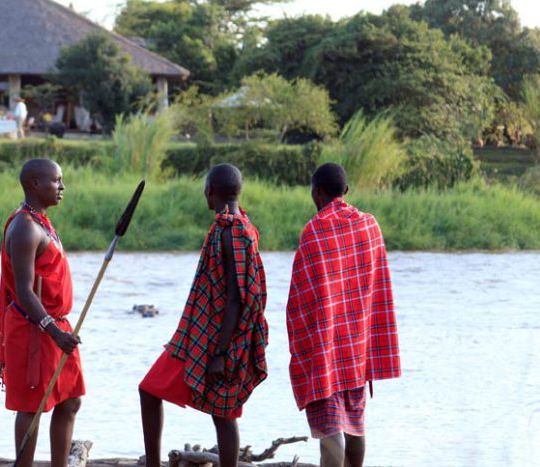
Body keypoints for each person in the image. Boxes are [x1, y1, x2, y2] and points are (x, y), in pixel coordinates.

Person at [139, 164, 268, 467]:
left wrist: (222, 352)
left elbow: (238, 297)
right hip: (199, 334)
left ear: (209, 193)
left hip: (219, 338)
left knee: (223, 414)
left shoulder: (232, 230)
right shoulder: (237, 224)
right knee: (152, 390)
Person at [287, 163, 401, 467]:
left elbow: (300, 298)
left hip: (325, 348)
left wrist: (300, 346)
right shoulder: (369, 225)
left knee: (331, 428)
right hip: (357, 348)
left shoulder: (314, 230)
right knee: (355, 423)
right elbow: (379, 289)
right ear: (346, 191)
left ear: (316, 192)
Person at [0, 158, 84, 467]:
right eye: (56, 180)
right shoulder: (24, 228)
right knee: (32, 406)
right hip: (36, 327)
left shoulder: (42, 221)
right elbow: (24, 291)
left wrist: (60, 330)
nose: (62, 187)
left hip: (56, 327)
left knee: (70, 400)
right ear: (35, 184)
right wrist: (54, 332)